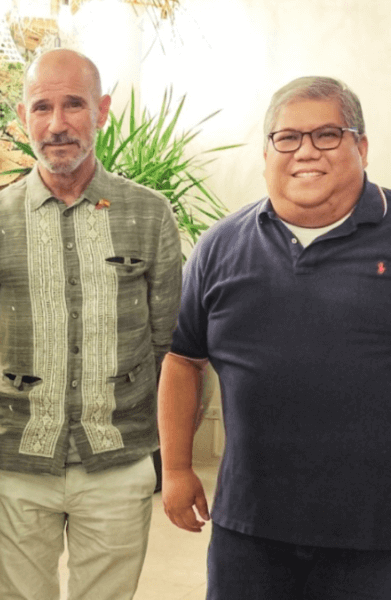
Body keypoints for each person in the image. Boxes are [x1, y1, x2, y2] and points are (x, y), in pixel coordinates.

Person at [159, 76, 391, 599]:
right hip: (250, 530)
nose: (305, 151)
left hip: (375, 533)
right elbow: (183, 360)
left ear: (362, 146)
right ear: (266, 153)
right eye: (287, 137)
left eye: (328, 135)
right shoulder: (220, 247)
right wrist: (175, 468)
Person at [0, 48, 182, 600]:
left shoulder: (149, 213)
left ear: (102, 110)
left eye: (73, 105)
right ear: (23, 117)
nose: (57, 124)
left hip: (119, 459)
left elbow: (167, 342)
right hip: (17, 463)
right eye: (42, 107)